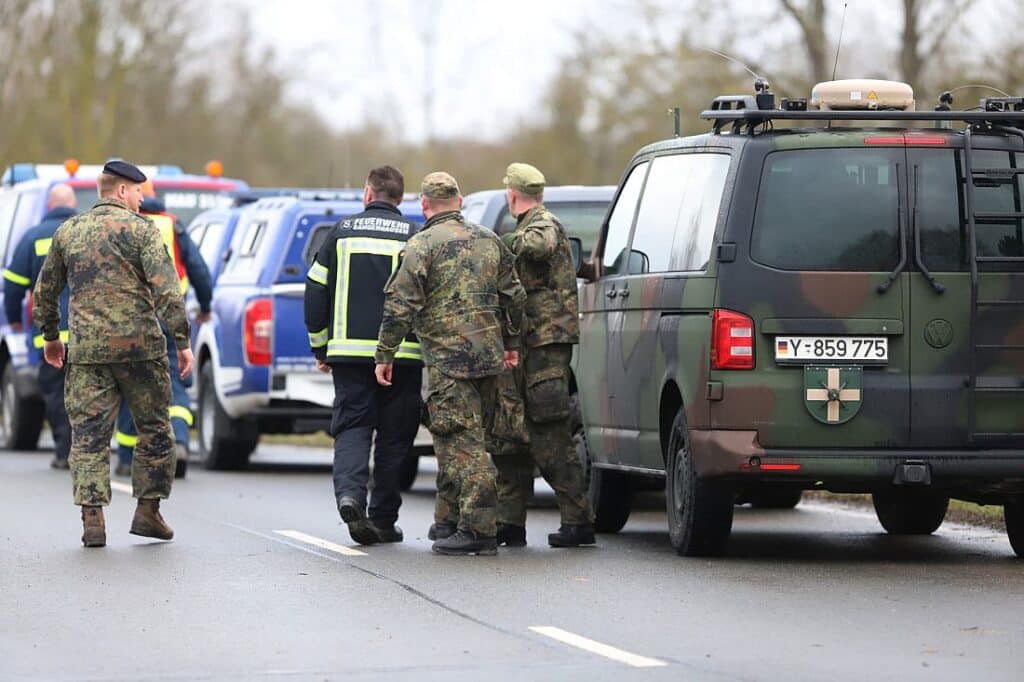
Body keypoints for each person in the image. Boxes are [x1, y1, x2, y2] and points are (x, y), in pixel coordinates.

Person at [34, 160, 193, 548]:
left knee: (89, 436)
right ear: (122, 190)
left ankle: (93, 519)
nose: (142, 200)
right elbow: (168, 291)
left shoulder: (68, 231)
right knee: (155, 430)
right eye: (138, 192)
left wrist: (52, 338)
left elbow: (45, 292)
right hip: (141, 352)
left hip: (88, 353)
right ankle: (148, 511)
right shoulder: (143, 230)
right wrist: (182, 341)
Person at [375, 171, 525, 556]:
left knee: (461, 442)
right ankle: (448, 519)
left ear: (424, 204)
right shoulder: (489, 240)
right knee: (453, 437)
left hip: (448, 360)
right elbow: (514, 296)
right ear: (459, 201)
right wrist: (511, 344)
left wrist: (385, 354)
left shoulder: (421, 245)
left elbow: (400, 305)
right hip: (489, 358)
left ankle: (478, 529)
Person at [304, 166, 423, 545]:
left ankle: (350, 496)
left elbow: (315, 290)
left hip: (348, 355)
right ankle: (383, 520)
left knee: (353, 427)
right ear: (400, 198)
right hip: (403, 357)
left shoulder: (341, 233)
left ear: (368, 194)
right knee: (395, 438)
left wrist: (320, 345)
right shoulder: (414, 236)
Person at [492, 162, 596, 548]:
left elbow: (542, 244)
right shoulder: (528, 224)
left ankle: (578, 520)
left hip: (544, 348)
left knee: (549, 432)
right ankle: (509, 521)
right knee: (511, 433)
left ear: (512, 194)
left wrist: (502, 242)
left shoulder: (543, 223)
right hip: (523, 345)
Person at [113, 189, 213, 479]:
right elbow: (198, 270)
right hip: (169, 312)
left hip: (131, 317)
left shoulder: (120, 225)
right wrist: (205, 305)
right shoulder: (172, 224)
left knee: (131, 382)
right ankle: (179, 442)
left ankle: (127, 458)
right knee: (175, 380)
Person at [3, 183, 77, 469]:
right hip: (88, 334)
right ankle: (87, 452)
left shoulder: (33, 237)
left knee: (56, 393)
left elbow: (13, 285)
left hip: (50, 336)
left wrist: (14, 319)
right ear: (73, 205)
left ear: (49, 205)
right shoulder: (87, 233)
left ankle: (65, 451)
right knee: (87, 394)